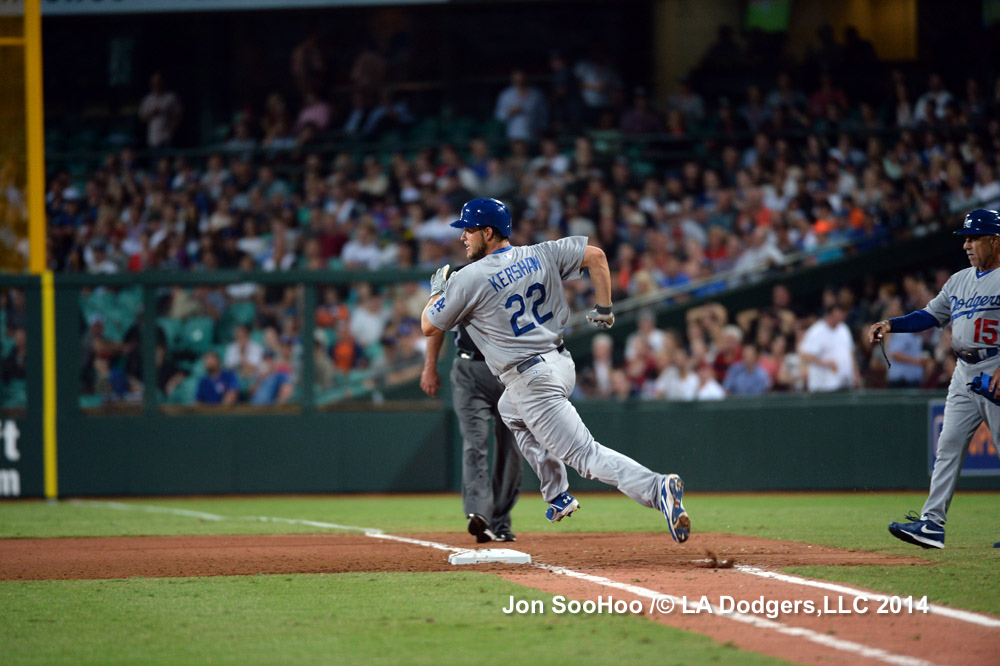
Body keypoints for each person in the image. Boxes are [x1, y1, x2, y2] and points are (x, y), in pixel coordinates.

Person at [420, 198, 689, 543]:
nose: (463, 237)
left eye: (469, 230)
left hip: (530, 378)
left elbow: (429, 326)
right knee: (508, 413)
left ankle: (657, 488)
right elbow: (597, 257)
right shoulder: (541, 252)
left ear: (488, 232)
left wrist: (438, 290)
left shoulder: (469, 277)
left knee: (587, 456)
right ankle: (557, 494)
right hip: (559, 362)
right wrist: (604, 308)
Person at [869, 209, 1000, 549]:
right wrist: (892, 324)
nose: (966, 245)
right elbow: (929, 315)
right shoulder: (959, 280)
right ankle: (931, 524)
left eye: (973, 238)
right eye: (966, 239)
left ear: (995, 240)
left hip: (996, 365)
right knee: (947, 446)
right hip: (964, 371)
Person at [421, 317, 522, 544]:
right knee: (474, 444)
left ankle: (500, 522)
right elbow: (435, 321)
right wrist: (430, 366)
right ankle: (479, 514)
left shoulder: (515, 280)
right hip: (469, 370)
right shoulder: (456, 280)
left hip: (511, 369)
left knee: (512, 447)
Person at [799, 303, 859, 392]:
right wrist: (825, 363)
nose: (840, 318)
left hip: (844, 383)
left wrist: (856, 374)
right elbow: (805, 355)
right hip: (823, 386)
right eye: (837, 315)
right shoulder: (816, 331)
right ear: (829, 315)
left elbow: (850, 352)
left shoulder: (844, 329)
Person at [138, 72, 183, 150]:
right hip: (153, 138)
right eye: (154, 82)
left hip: (167, 137)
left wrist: (173, 130)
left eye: (158, 82)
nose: (157, 84)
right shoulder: (148, 99)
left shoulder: (171, 97)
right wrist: (152, 113)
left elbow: (178, 114)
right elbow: (142, 118)